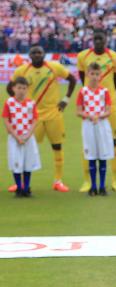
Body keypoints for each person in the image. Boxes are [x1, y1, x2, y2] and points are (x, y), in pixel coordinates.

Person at [7, 46, 75, 193]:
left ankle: (58, 181)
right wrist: (19, 104)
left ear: (44, 54)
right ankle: (20, 183)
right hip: (32, 116)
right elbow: (9, 87)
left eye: (39, 52)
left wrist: (66, 99)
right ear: (29, 55)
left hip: (53, 113)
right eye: (34, 53)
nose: (37, 55)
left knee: (57, 146)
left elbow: (72, 79)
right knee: (24, 146)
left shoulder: (54, 67)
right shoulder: (22, 70)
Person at [76, 28, 116, 192]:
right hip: (89, 108)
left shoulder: (115, 58)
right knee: (88, 144)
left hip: (108, 107)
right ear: (92, 40)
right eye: (95, 39)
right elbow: (82, 77)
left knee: (113, 142)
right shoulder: (83, 56)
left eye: (100, 39)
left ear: (105, 40)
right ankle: (87, 181)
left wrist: (106, 96)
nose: (98, 42)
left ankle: (115, 180)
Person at [76, 62, 114, 196]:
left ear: (101, 76)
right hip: (88, 125)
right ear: (87, 74)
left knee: (102, 155)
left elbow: (108, 111)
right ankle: (93, 186)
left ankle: (102, 186)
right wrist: (89, 116)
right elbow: (78, 111)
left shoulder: (105, 91)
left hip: (102, 125)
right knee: (91, 156)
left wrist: (99, 116)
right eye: (92, 73)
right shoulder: (83, 91)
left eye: (97, 74)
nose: (94, 77)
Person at [3, 77, 40, 197]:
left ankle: (26, 188)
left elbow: (35, 120)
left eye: (24, 88)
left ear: (27, 89)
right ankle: (19, 188)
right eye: (19, 88)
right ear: (13, 88)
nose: (21, 91)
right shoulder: (9, 103)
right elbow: (6, 121)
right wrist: (16, 136)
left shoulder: (31, 103)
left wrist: (28, 135)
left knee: (28, 162)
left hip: (28, 138)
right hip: (15, 138)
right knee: (16, 162)